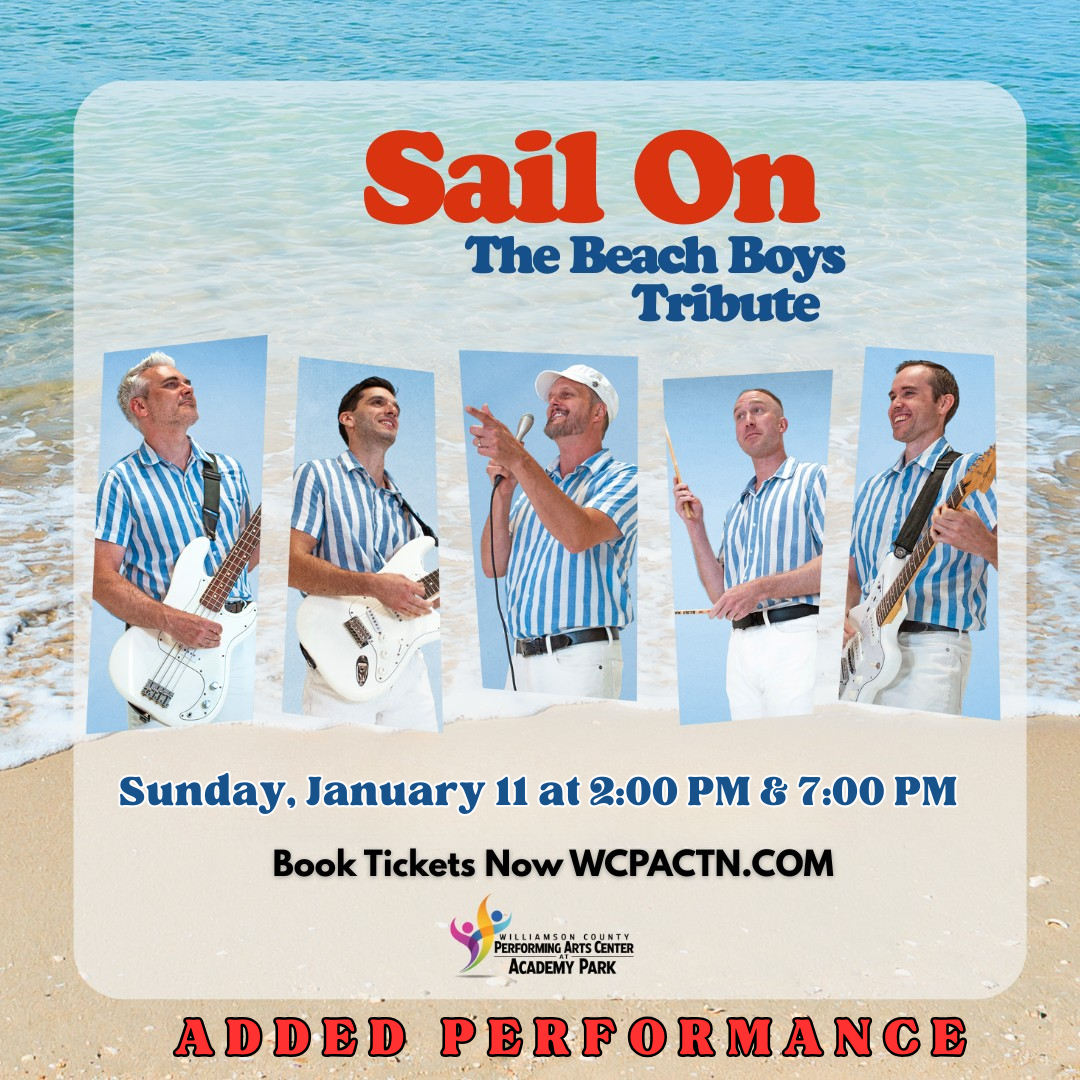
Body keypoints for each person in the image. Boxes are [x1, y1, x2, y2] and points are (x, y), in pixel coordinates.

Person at [94, 351, 257, 727]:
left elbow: (246, 556)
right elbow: (101, 579)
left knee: (240, 768)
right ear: (141, 406)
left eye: (187, 382)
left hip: (236, 642)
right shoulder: (121, 482)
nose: (187, 388)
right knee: (162, 776)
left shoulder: (229, 470)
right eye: (172, 384)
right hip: (163, 653)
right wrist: (171, 619)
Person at [467, 364, 637, 698]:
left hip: (580, 660)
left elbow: (578, 534)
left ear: (597, 412)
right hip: (521, 662)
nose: (553, 402)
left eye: (566, 394)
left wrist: (519, 460)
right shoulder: (536, 485)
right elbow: (494, 565)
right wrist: (504, 493)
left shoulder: (626, 478)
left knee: (575, 752)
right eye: (550, 397)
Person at [846, 360, 997, 714]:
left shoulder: (970, 472)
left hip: (932, 651)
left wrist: (984, 543)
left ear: (944, 404)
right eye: (892, 395)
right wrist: (842, 619)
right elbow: (853, 574)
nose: (895, 403)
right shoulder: (871, 488)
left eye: (909, 394)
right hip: (861, 658)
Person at [289, 376, 438, 730]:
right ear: (348, 418)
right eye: (377, 402)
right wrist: (375, 585)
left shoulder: (405, 511)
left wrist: (427, 597)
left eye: (395, 407)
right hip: (340, 659)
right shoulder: (317, 475)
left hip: (407, 671)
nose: (391, 410)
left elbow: (412, 594)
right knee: (340, 775)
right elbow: (291, 566)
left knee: (423, 774)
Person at [673, 387, 826, 720]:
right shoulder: (737, 509)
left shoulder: (814, 479)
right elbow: (721, 596)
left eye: (758, 411)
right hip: (741, 648)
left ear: (782, 424)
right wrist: (695, 527)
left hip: (799, 639)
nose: (747, 421)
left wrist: (761, 588)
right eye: (739, 416)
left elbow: (839, 566)